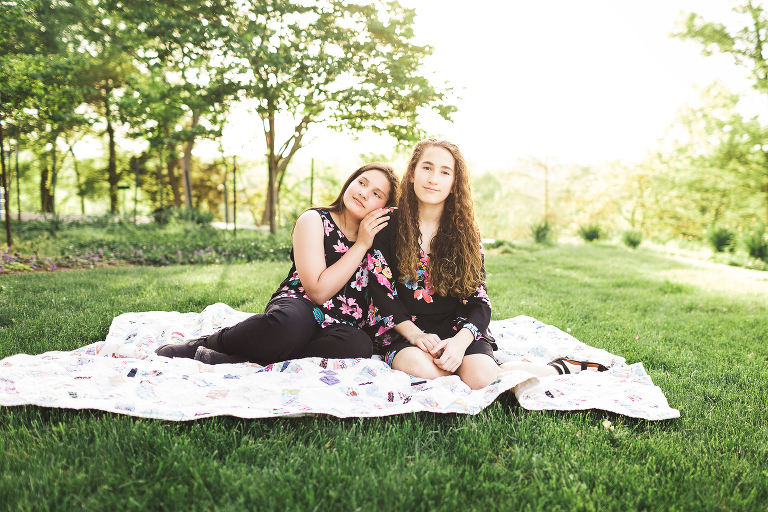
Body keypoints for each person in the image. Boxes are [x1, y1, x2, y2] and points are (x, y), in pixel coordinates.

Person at [366, 139, 608, 390]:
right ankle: (458, 368)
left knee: (484, 379)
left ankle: (557, 368)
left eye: (445, 172)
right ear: (412, 173)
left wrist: (459, 343)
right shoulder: (387, 224)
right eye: (426, 167)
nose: (433, 178)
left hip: (456, 326)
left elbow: (479, 301)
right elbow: (382, 294)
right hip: (406, 329)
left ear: (454, 184)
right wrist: (416, 335)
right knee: (421, 369)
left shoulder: (464, 232)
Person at [156, 163, 399, 365]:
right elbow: (318, 291)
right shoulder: (314, 220)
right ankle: (207, 344)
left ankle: (240, 358)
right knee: (288, 328)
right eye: (362, 182)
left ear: (385, 208)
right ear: (350, 183)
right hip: (300, 306)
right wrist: (361, 245)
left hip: (340, 325)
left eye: (377, 194)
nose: (365, 193)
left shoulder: (381, 240)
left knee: (359, 345)